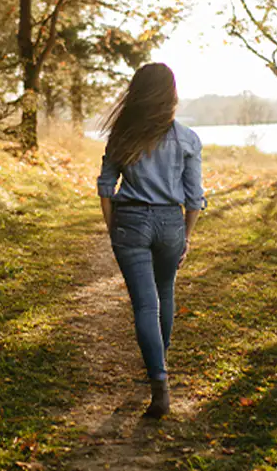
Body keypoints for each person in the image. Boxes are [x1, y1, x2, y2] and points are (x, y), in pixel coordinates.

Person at [96, 63, 207, 419]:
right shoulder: (188, 139)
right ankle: (160, 363)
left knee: (145, 305)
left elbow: (105, 187)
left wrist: (114, 228)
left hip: (130, 221)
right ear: (170, 95)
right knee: (165, 292)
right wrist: (186, 235)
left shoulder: (122, 136)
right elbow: (194, 198)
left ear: (137, 94)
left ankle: (159, 384)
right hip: (170, 224)